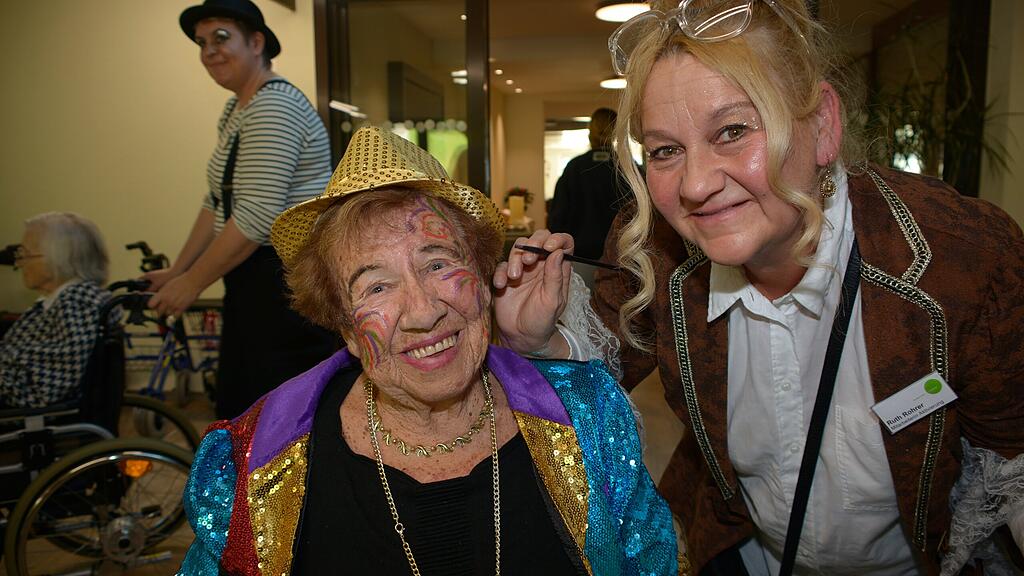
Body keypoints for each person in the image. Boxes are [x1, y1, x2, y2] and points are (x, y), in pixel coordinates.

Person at [493, 1, 1024, 575]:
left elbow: (1011, 458)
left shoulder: (964, 258)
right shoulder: (655, 251)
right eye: (666, 150)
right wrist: (539, 340)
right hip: (740, 555)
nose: (695, 186)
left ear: (822, 126)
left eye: (733, 131)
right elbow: (603, 366)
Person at [176, 127, 679, 575]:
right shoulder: (254, 460)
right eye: (376, 287)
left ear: (482, 275)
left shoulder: (589, 416)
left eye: (437, 264)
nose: (422, 312)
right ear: (344, 326)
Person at [147, 0, 336, 419]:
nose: (209, 51)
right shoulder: (237, 108)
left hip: (284, 286)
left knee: (275, 414)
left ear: (256, 43)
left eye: (220, 38)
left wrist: (192, 284)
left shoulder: (275, 107)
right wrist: (179, 270)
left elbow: (255, 216)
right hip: (253, 282)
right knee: (245, 407)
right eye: (201, 43)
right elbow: (217, 201)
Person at [0, 213, 111, 408]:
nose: (19, 263)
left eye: (25, 254)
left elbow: (45, 387)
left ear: (59, 258)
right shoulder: (66, 299)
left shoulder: (77, 302)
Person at [548, 108, 628, 262]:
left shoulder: (574, 168)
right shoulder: (628, 169)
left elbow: (557, 218)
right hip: (620, 259)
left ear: (590, 132)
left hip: (579, 257)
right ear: (616, 132)